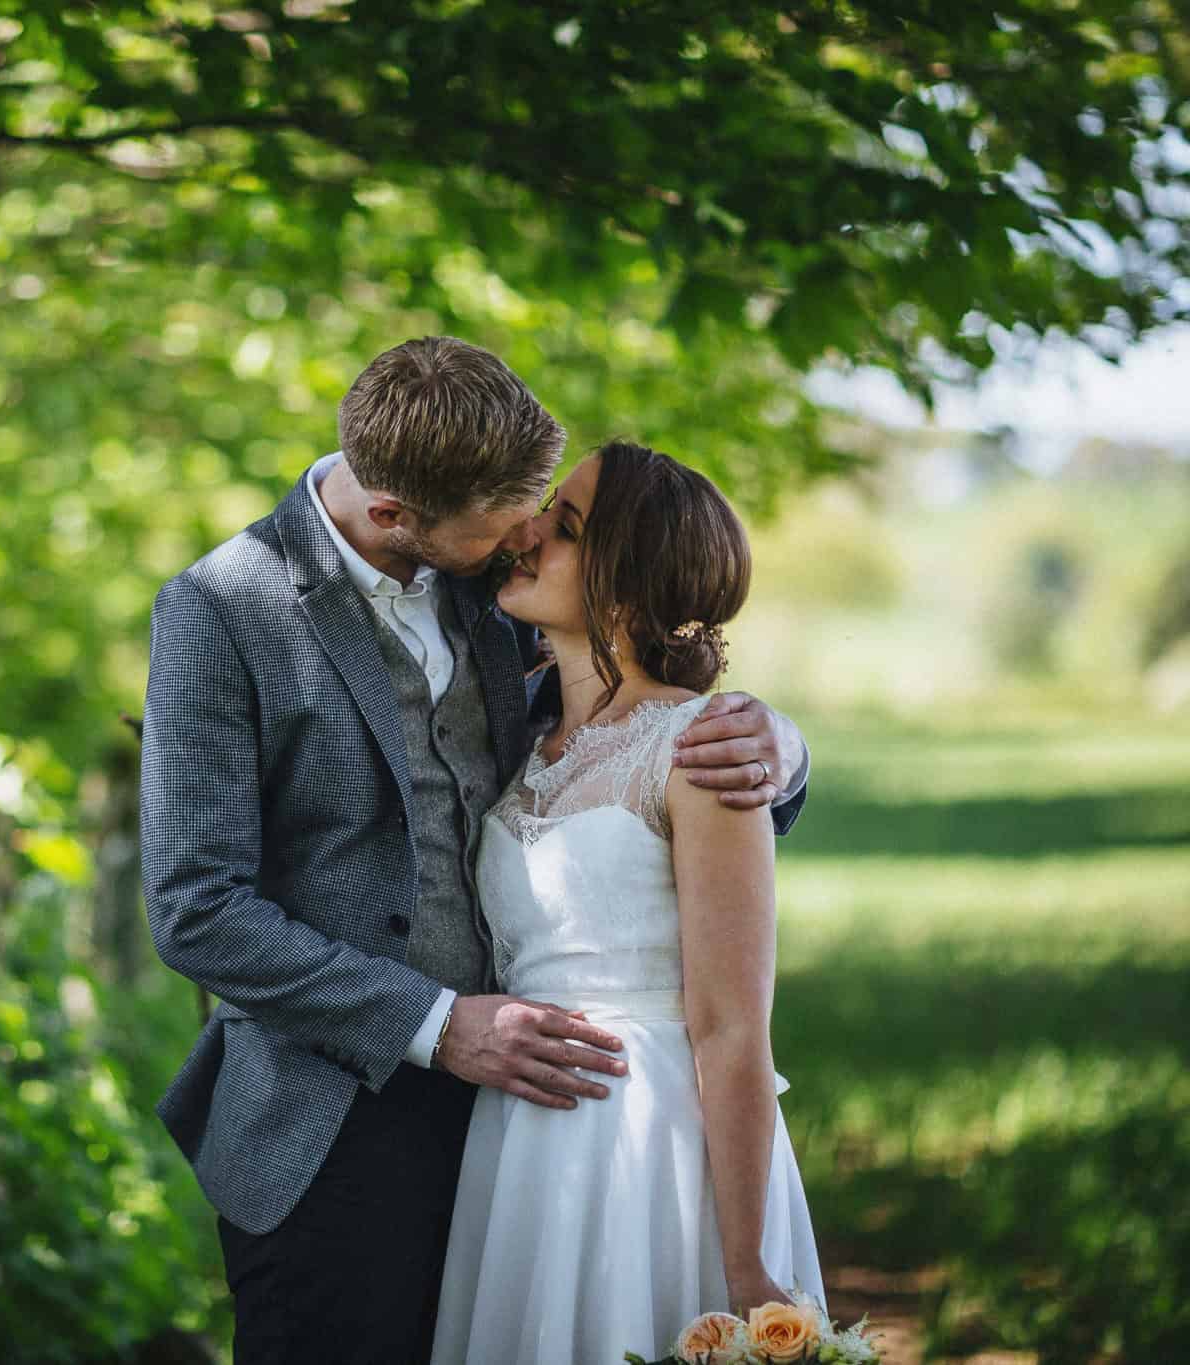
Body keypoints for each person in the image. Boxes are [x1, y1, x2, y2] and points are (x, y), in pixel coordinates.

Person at [138, 337, 812, 1364]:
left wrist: (778, 744)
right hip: (330, 1120)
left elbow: (621, 732)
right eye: (508, 525)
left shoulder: (489, 584)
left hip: (533, 1133)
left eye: (543, 517)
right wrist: (436, 1026)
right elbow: (194, 908)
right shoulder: (222, 610)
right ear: (394, 515)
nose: (527, 537)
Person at [429, 440, 827, 1363]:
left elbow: (732, 1027)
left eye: (562, 526)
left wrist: (745, 1266)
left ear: (624, 583)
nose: (524, 535)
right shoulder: (524, 741)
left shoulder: (700, 749)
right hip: (521, 1138)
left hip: (650, 1142)